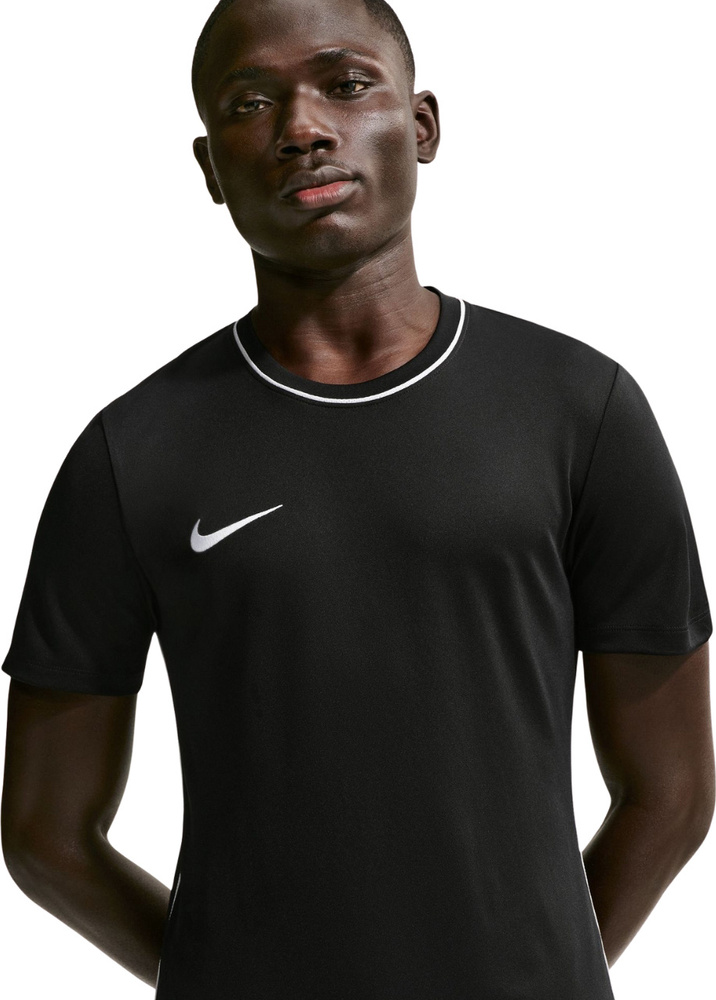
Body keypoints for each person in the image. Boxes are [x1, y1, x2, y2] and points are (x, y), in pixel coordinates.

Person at [1, 0, 713, 997]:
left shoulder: (579, 409)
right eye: (251, 103)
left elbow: (671, 792)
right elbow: (44, 834)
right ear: (210, 169)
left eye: (344, 85)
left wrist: (542, 975)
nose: (302, 128)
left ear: (421, 126)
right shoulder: (130, 454)